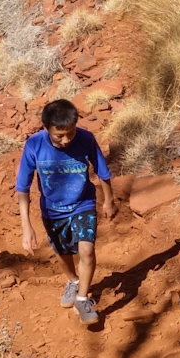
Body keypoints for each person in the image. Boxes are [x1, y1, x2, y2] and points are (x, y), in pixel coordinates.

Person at [16, 99, 114, 326]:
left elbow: (103, 172)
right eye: (59, 136)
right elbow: (22, 188)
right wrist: (26, 227)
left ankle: (82, 299)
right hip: (52, 210)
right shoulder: (34, 146)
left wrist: (109, 200)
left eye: (70, 133)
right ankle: (72, 281)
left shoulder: (86, 139)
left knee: (87, 250)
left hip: (83, 203)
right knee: (62, 254)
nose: (66, 139)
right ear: (45, 128)